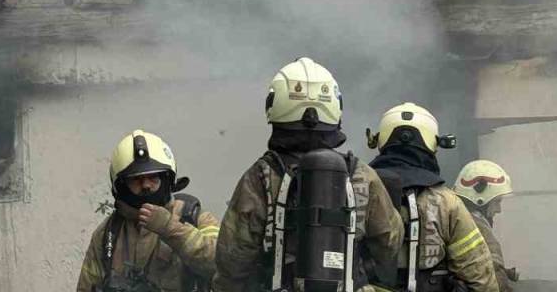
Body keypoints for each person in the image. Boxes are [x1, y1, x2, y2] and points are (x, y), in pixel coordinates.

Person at [215, 57, 403, 292]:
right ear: (335, 106)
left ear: (274, 105)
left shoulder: (261, 176)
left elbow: (233, 256)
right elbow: (390, 241)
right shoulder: (362, 174)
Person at [366, 103, 497, 292]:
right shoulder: (446, 203)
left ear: (380, 141)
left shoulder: (355, 191)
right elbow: (480, 278)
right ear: (433, 144)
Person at [77, 129, 219, 292]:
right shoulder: (108, 234)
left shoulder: (194, 217)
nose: (146, 185)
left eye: (153, 177)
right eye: (136, 179)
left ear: (166, 179)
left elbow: (223, 266)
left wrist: (170, 228)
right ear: (122, 186)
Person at [454, 160, 516, 292]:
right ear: (481, 200)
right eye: (497, 202)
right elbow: (495, 279)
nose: (499, 210)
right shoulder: (477, 227)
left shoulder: (455, 220)